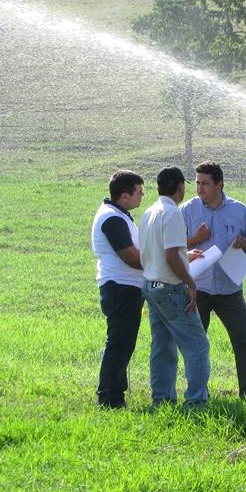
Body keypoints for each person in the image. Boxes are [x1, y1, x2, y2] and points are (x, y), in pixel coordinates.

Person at [181, 161, 246, 402]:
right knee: (196, 345)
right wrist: (196, 239)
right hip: (198, 289)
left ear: (220, 184)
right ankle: (197, 394)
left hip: (229, 289)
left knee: (244, 341)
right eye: (197, 183)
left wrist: (245, 244)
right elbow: (172, 248)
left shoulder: (239, 211)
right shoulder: (188, 210)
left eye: (205, 184)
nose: (199, 189)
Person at [139, 166, 210, 408]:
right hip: (170, 288)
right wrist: (190, 282)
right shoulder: (172, 214)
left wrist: (184, 254)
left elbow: (162, 252)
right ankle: (196, 403)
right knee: (198, 347)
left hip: (151, 285)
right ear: (180, 188)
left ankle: (161, 399)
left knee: (162, 346)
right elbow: (170, 256)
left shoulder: (149, 211)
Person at [91, 170, 145, 409]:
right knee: (119, 343)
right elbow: (131, 257)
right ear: (125, 196)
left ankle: (114, 395)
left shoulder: (121, 215)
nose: (142, 196)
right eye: (139, 192)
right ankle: (109, 397)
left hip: (125, 287)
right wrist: (162, 265)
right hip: (120, 287)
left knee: (123, 343)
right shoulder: (112, 218)